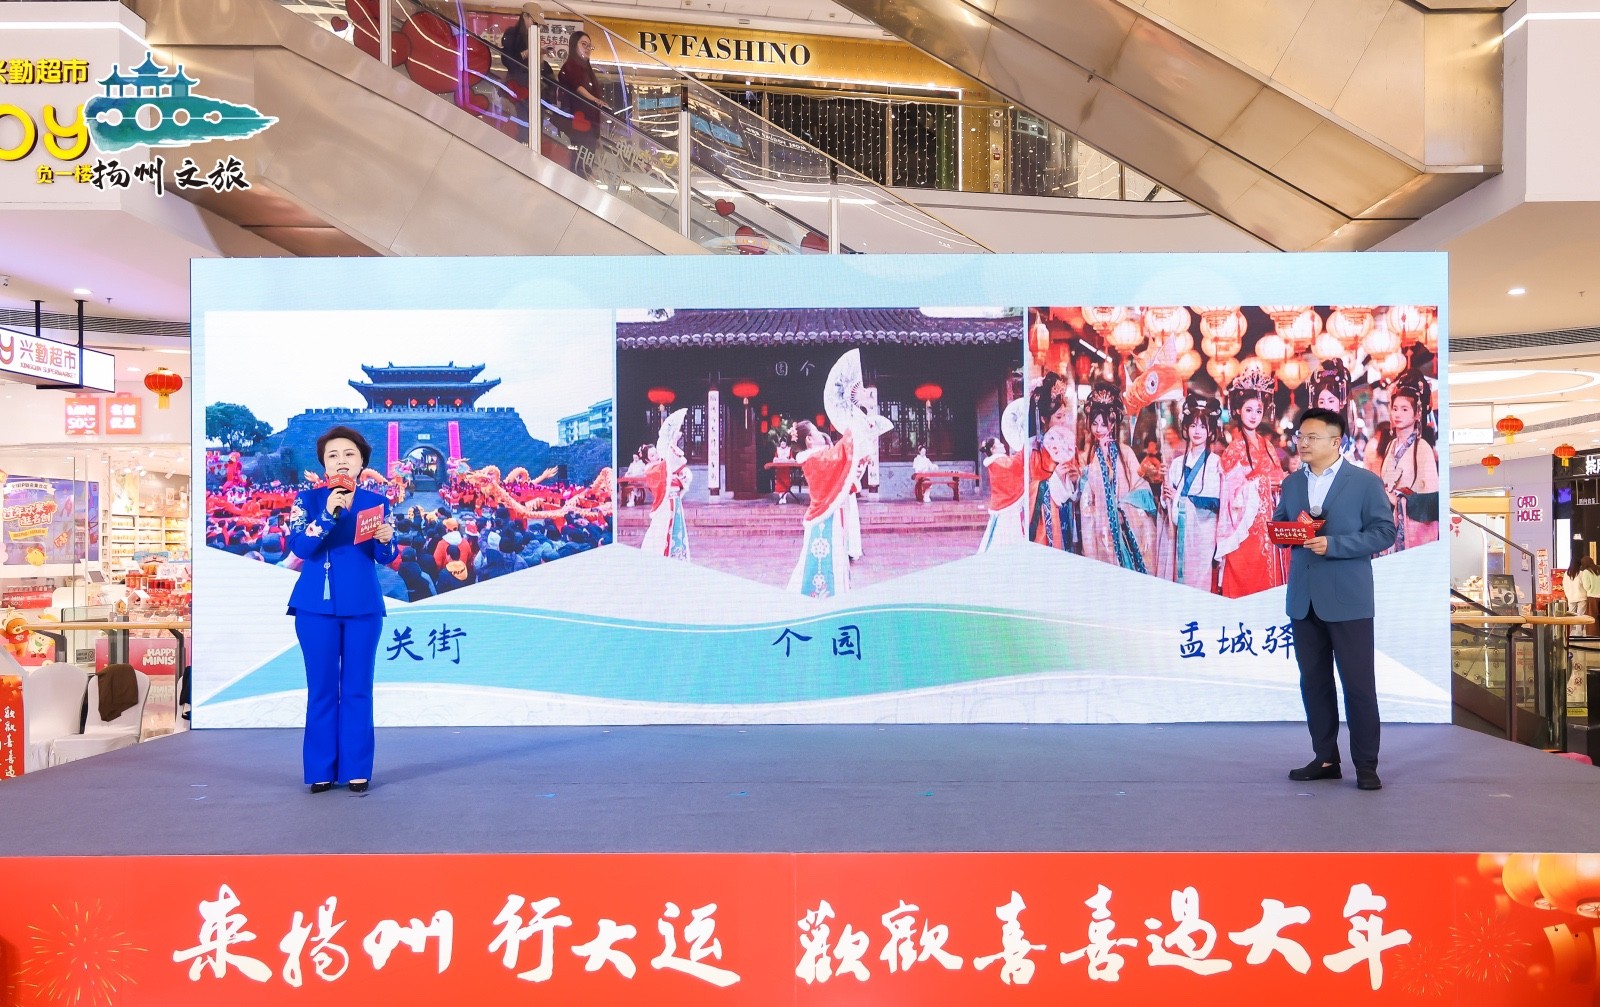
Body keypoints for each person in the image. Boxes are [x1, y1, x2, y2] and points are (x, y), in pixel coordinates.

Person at [1274, 407, 1396, 791]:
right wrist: (1285, 533)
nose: (1303, 443)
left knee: (1358, 686)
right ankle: (1325, 758)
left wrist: (1335, 545)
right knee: (1314, 683)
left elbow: (1385, 532)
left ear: (1335, 441)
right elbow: (1280, 525)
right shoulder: (1292, 483)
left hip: (1349, 600)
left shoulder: (1364, 482)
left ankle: (1366, 765)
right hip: (1304, 599)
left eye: (1311, 437)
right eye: (1300, 437)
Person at [286, 426, 395, 794]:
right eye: (333, 455)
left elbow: (385, 556)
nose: (341, 461)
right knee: (321, 689)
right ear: (324, 464)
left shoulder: (376, 502)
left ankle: (357, 768)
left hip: (363, 605)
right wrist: (329, 515)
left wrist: (387, 541)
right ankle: (320, 769)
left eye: (349, 454)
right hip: (315, 607)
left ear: (362, 462)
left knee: (357, 688)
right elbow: (301, 547)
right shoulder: (307, 500)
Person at [1216, 367, 1286, 597]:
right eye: (1248, 410)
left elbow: (1278, 474)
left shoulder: (1267, 445)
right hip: (1247, 527)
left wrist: (1283, 480)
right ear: (1238, 410)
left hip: (1271, 520)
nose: (1254, 415)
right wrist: (1261, 483)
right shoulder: (1234, 449)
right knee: (1249, 579)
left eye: (1258, 410)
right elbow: (1229, 495)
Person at [1077, 382, 1155, 572]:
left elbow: (1141, 488)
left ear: (1112, 424)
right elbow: (1085, 499)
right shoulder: (1087, 456)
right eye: (1094, 423)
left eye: (1104, 424)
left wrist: (1124, 509)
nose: (1099, 429)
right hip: (1099, 529)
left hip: (1126, 528)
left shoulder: (1125, 452)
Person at [1157, 391, 1222, 591]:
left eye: (1203, 426)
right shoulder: (1177, 463)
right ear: (1186, 427)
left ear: (1210, 431)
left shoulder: (1216, 463)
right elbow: (1169, 502)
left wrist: (1178, 497)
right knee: (1178, 576)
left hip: (1204, 532)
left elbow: (1213, 502)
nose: (1197, 431)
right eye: (1193, 425)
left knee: (1199, 578)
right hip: (1180, 531)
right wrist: (1166, 492)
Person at [787, 420, 856, 598]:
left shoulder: (817, 456)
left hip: (828, 512)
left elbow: (839, 463)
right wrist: (852, 430)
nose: (821, 433)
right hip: (825, 515)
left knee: (829, 558)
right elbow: (838, 456)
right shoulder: (814, 459)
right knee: (825, 559)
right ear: (809, 439)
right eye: (816, 431)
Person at [1379, 374, 1439, 552]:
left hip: (1410, 529)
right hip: (1388, 524)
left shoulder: (1422, 447)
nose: (1398, 414)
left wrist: (1399, 499)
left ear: (1417, 413)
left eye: (1405, 409)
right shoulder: (1390, 445)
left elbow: (1430, 499)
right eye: (1395, 408)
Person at [1028, 373, 1080, 550]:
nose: (1063, 421)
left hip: (1067, 514)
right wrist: (1055, 479)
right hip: (1048, 520)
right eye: (1058, 417)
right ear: (1044, 418)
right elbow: (1031, 489)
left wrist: (1075, 481)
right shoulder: (1035, 450)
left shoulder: (1069, 446)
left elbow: (1075, 493)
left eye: (1064, 416)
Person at [640, 409, 691, 560]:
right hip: (665, 505)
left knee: (677, 529)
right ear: (646, 459)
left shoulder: (662, 465)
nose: (656, 456)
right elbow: (667, 472)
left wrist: (681, 477)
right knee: (662, 533)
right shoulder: (650, 470)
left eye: (656, 453)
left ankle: (677, 556)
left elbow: (673, 470)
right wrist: (672, 442)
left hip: (675, 501)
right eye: (652, 455)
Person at [557, 30, 604, 177]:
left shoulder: (587, 70)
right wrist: (594, 99)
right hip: (578, 123)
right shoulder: (570, 67)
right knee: (580, 165)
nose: (588, 49)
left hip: (589, 125)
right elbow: (577, 86)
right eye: (584, 44)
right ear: (574, 45)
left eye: (590, 46)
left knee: (584, 165)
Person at [977, 435, 1026, 553]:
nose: (1003, 445)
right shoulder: (999, 461)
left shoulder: (996, 461)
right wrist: (1024, 447)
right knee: (1006, 535)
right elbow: (1015, 464)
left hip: (1002, 504)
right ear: (993, 449)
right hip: (1007, 505)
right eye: (999, 443)